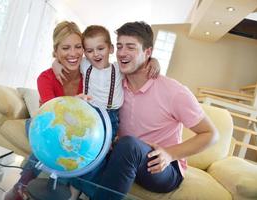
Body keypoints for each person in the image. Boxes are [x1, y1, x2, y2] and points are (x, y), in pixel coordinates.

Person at [76, 21, 218, 200]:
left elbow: (211, 134)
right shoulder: (118, 84)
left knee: (128, 145)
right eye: (119, 47)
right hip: (125, 156)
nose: (122, 53)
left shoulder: (174, 92)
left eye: (131, 47)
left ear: (148, 52)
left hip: (163, 166)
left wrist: (170, 154)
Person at [52, 24, 160, 199]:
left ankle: (89, 190)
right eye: (90, 50)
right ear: (85, 53)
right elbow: (66, 58)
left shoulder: (119, 68)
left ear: (110, 48)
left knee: (98, 155)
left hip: (110, 118)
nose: (96, 54)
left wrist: (153, 61)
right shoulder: (85, 65)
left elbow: (139, 63)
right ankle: (72, 191)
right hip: (88, 114)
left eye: (100, 48)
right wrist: (55, 64)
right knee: (80, 150)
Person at [4, 20, 84, 200]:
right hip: (42, 122)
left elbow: (112, 68)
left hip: (72, 128)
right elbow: (52, 112)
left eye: (78, 46)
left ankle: (66, 190)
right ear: (55, 51)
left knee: (69, 137)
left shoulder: (91, 74)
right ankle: (21, 185)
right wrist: (74, 102)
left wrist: (153, 61)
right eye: (65, 48)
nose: (73, 53)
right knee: (53, 134)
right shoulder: (46, 78)